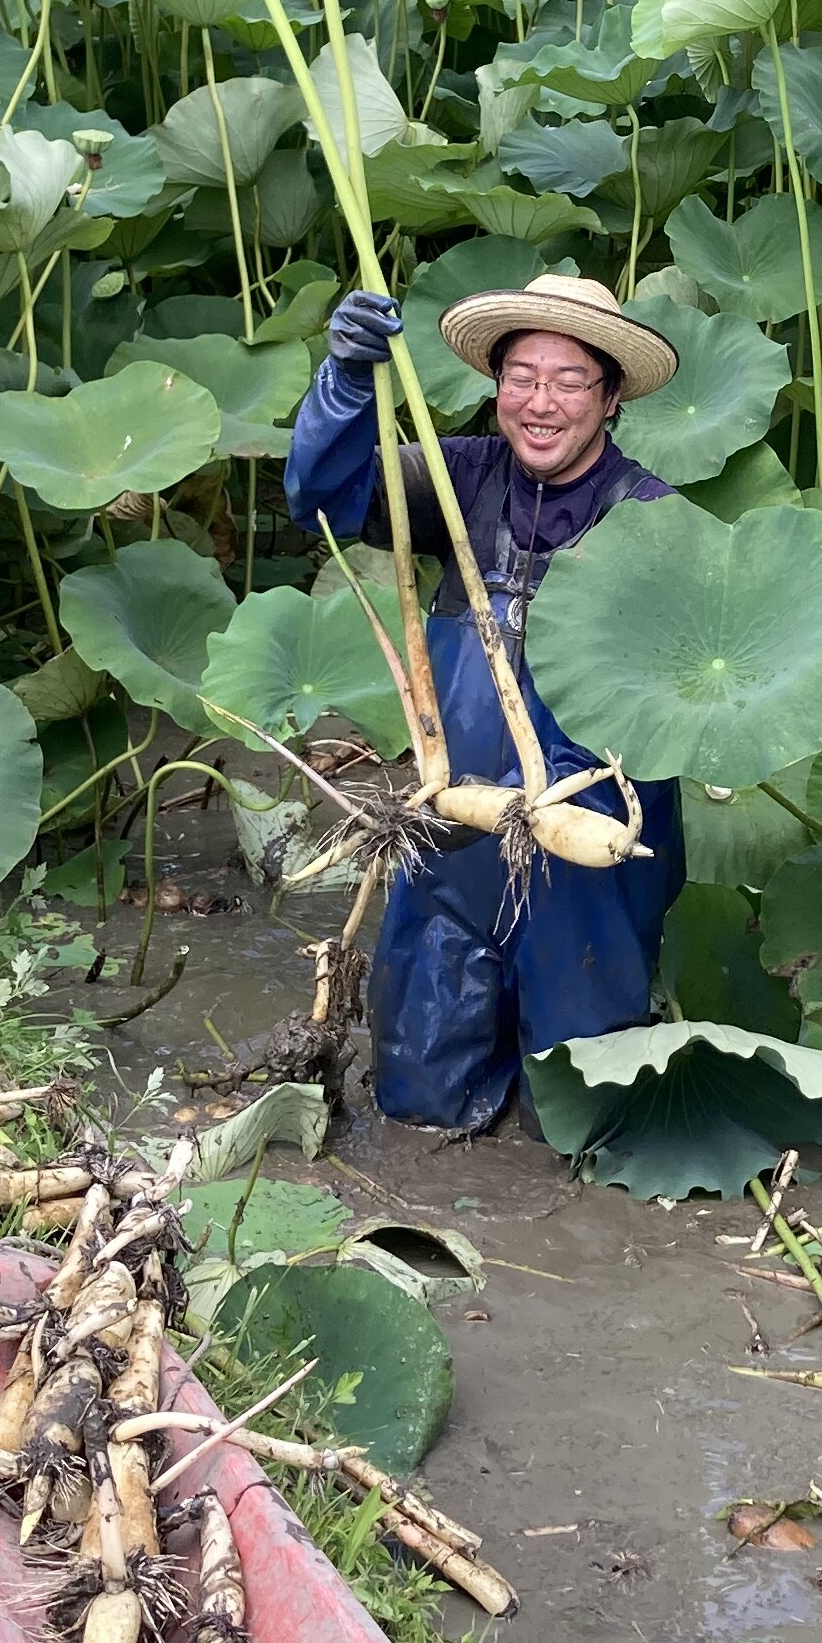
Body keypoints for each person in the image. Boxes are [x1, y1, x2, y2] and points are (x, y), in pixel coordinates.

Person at [282, 268, 688, 1132]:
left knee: (581, 1118)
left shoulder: (652, 516)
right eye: (521, 378)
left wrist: (569, 800)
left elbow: (683, 700)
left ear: (611, 397)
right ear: (495, 386)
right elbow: (321, 498)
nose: (541, 402)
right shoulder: (460, 477)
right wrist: (346, 383)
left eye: (570, 380)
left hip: (581, 835)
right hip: (456, 823)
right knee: (417, 1099)